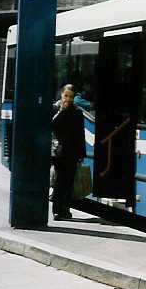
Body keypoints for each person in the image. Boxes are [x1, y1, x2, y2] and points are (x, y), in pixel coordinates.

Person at [51, 84, 86, 220]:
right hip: (59, 152)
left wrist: (81, 154)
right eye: (66, 96)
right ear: (61, 95)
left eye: (71, 97)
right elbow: (52, 125)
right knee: (59, 181)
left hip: (72, 152)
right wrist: (62, 111)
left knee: (69, 182)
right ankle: (57, 210)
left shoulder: (77, 112)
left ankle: (66, 208)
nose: (68, 99)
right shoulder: (55, 108)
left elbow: (80, 134)